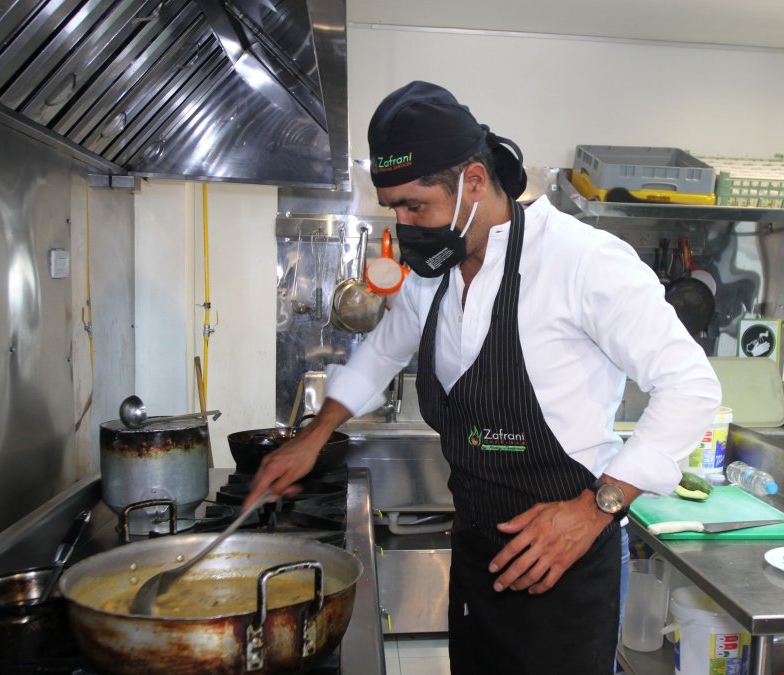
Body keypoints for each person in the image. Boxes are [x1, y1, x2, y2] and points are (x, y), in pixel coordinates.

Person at [247, 81, 721, 674]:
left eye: (415, 206)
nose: (404, 223)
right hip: (477, 557)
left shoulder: (583, 261)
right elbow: (382, 351)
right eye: (394, 208)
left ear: (473, 180)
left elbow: (691, 386)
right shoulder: (433, 274)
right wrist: (314, 436)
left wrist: (596, 509)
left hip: (567, 563)